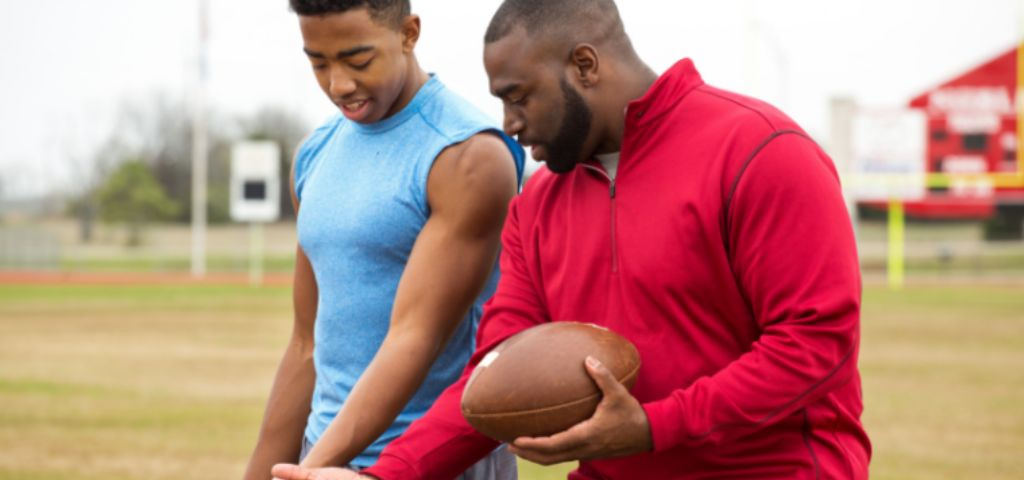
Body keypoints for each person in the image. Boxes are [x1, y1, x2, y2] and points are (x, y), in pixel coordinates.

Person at [272, 0, 871, 478]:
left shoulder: (763, 152)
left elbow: (814, 345)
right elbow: (493, 378)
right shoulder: (535, 205)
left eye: (518, 96)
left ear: (584, 65)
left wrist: (655, 426)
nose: (508, 123)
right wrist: (386, 476)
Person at [242, 1, 524, 479]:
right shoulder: (315, 154)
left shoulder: (467, 155)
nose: (339, 84)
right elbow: (306, 344)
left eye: (358, 60)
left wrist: (312, 469)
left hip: (434, 462)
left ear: (409, 33)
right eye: (318, 62)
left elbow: (415, 335)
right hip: (324, 456)